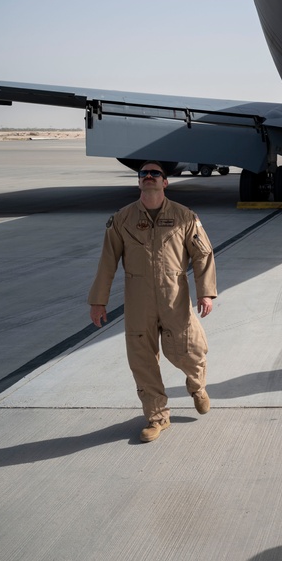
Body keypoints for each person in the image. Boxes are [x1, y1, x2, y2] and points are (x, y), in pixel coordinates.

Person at [88, 161, 218, 443]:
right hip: (138, 299)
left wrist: (205, 292)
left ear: (165, 182)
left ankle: (197, 385)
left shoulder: (185, 216)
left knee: (190, 348)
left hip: (175, 295)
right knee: (142, 359)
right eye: (143, 174)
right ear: (139, 183)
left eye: (155, 173)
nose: (148, 177)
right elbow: (107, 262)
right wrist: (99, 301)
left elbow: (202, 254)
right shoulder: (122, 219)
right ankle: (157, 418)